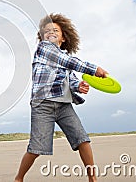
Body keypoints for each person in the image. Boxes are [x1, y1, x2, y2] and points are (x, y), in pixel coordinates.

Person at [14, 13, 108, 182]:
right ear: (42, 36)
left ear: (63, 37)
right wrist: (94, 69)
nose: (50, 32)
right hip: (43, 105)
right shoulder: (44, 49)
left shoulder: (65, 61)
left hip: (64, 106)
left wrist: (78, 86)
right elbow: (68, 61)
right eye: (47, 30)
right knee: (36, 148)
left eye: (55, 30)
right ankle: (19, 178)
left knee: (82, 140)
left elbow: (70, 79)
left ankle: (92, 179)